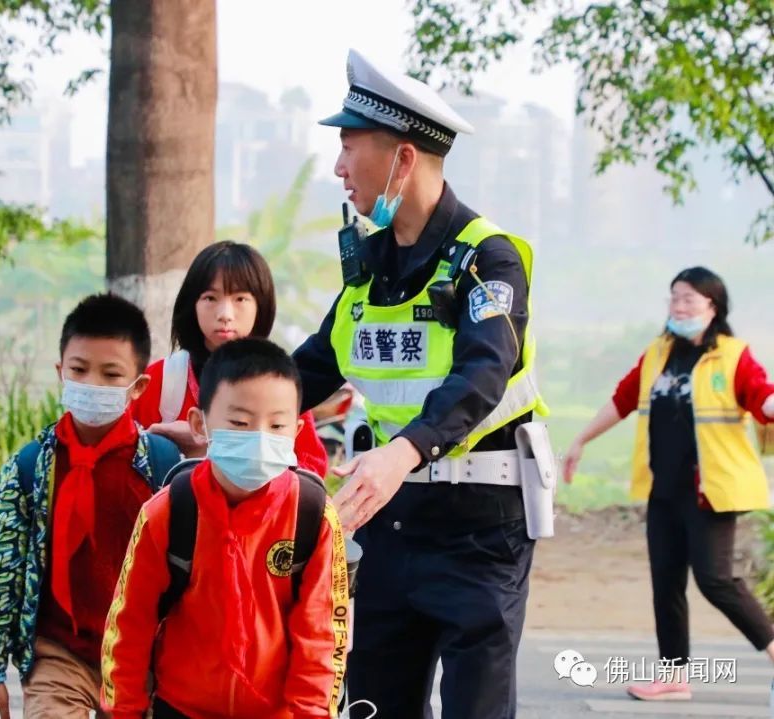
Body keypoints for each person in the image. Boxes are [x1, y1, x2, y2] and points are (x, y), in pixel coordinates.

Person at [292, 49, 552, 718]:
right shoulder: (367, 268)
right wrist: (221, 406)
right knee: (374, 703)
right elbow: (314, 365)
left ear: (403, 159)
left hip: (482, 532)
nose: (339, 167)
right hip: (391, 526)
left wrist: (404, 449)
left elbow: (483, 371)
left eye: (350, 146)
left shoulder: (488, 258)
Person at [102, 338, 350, 719]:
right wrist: (123, 712)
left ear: (297, 430)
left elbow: (320, 636)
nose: (259, 436)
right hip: (182, 708)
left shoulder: (312, 516)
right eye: (239, 422)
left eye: (277, 424)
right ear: (200, 424)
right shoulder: (167, 512)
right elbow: (129, 623)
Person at [564, 267, 774, 701]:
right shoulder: (658, 353)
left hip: (712, 489)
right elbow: (623, 399)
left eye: (689, 300)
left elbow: (761, 396)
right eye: (674, 298)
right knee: (666, 580)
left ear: (713, 308)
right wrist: (580, 440)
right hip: (664, 490)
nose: (679, 307)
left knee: (715, 580)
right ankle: (674, 676)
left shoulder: (733, 356)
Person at [0, 293, 182, 719]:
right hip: (58, 652)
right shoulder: (30, 468)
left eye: (111, 374)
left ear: (137, 386)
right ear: (60, 373)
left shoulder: (162, 469)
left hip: (139, 657)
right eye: (80, 370)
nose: (93, 385)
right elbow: (0, 572)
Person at [133, 240, 330, 477]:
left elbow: (311, 471)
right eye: (210, 298)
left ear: (261, 305)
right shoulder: (161, 380)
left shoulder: (279, 382)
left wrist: (207, 444)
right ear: (191, 304)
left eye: (240, 299)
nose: (225, 314)